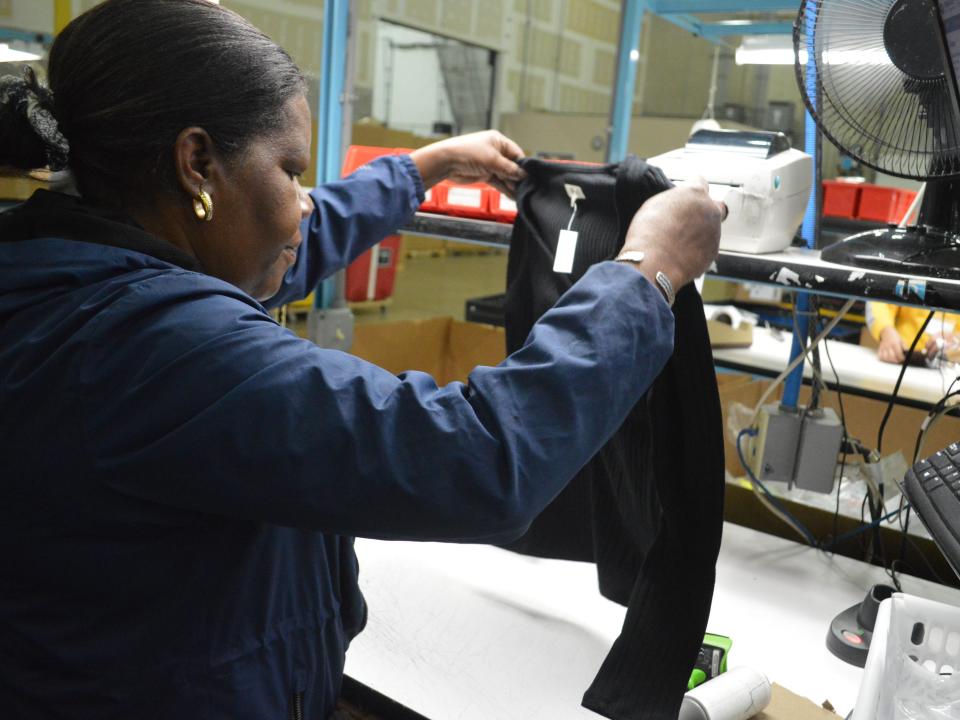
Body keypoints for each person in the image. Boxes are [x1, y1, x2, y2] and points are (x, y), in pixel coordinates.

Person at [0, 1, 723, 718]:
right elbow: (478, 458)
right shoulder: (148, 344)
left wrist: (422, 168)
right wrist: (646, 273)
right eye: (290, 171)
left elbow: (273, 249)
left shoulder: (63, 268)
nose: (305, 203)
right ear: (197, 164)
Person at [866, 301, 960, 364]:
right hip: (900, 360)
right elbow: (880, 299)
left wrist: (957, 338)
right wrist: (886, 331)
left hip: (952, 370)